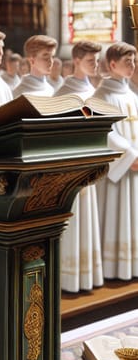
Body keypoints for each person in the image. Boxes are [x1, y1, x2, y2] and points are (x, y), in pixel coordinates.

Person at [54, 40, 104, 292]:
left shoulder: (92, 90)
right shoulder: (65, 93)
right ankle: (68, 279)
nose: (95, 65)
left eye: (97, 60)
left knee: (87, 219)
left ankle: (85, 277)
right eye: (90, 61)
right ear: (76, 61)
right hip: (72, 166)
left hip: (90, 161)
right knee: (73, 220)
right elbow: (55, 132)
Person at [88, 42, 138, 282]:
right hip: (119, 169)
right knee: (116, 214)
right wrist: (129, 155)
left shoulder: (132, 94)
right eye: (128, 61)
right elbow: (103, 132)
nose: (133, 65)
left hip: (135, 166)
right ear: (112, 64)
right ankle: (113, 269)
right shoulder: (100, 96)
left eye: (135, 60)